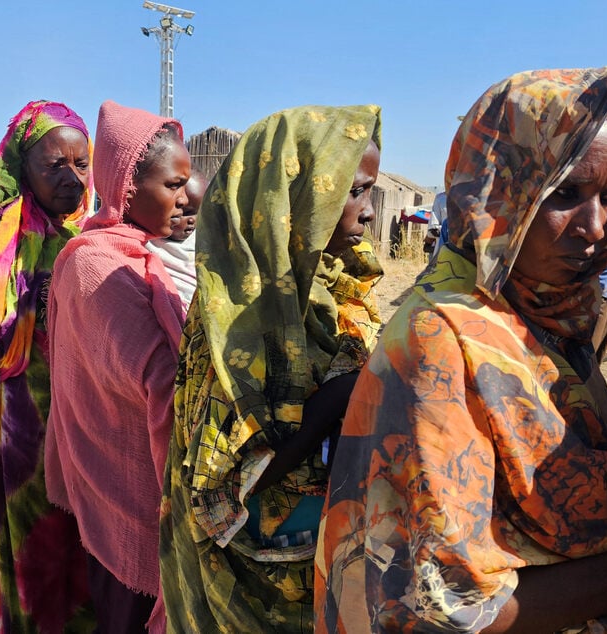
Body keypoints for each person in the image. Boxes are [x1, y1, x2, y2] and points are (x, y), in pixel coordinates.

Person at [315, 68, 607, 633]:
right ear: (498, 190)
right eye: (564, 194)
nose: (594, 227)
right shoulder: (444, 340)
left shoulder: (570, 318)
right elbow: (442, 606)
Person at [157, 105, 383, 633]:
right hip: (265, 584)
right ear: (294, 199)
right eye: (354, 192)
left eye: (369, 191)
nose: (369, 212)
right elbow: (219, 492)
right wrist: (343, 395)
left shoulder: (339, 291)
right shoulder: (238, 318)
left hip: (344, 557)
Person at [0, 100, 95, 633]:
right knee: (38, 588)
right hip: (23, 451)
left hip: (91, 443)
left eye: (81, 163)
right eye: (54, 164)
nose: (71, 178)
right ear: (20, 167)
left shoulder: (96, 234)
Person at [45, 99, 191, 632]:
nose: (187, 196)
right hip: (128, 489)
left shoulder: (137, 255)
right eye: (173, 185)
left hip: (140, 479)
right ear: (128, 186)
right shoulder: (97, 264)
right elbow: (162, 382)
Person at [144, 171, 208, 314]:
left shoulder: (203, 240)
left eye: (197, 212)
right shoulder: (149, 242)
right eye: (185, 213)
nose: (192, 220)